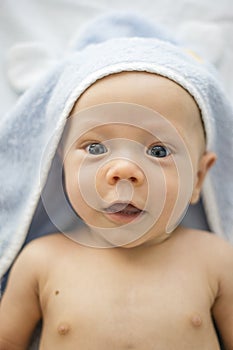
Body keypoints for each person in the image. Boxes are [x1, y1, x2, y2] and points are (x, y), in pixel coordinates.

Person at [0, 14, 233, 350]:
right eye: (95, 147)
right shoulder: (41, 262)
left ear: (197, 177)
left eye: (158, 150)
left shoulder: (215, 260)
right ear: (61, 163)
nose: (123, 171)